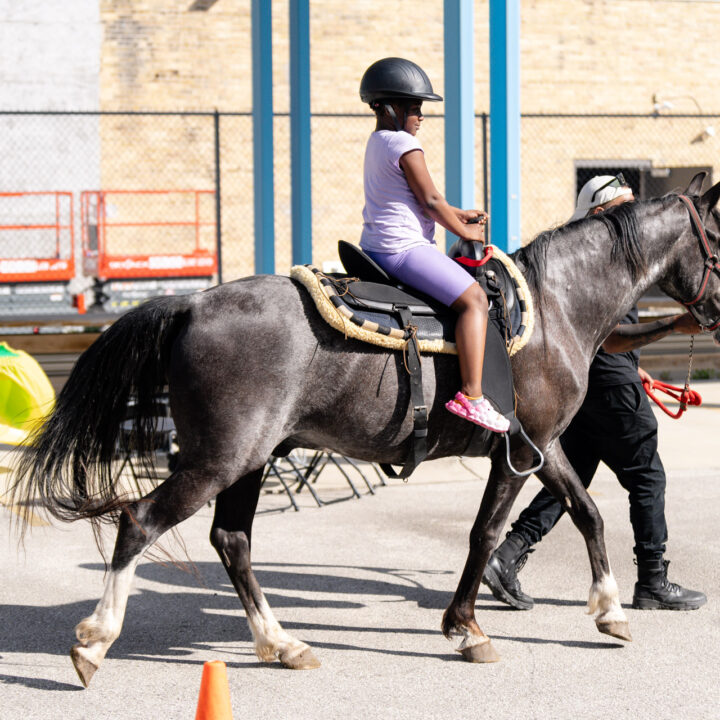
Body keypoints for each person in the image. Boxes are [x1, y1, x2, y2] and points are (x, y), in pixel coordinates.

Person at [482, 174, 707, 611]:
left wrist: (634, 370)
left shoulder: (597, 259)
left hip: (592, 379)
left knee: (573, 473)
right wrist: (674, 326)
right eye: (624, 208)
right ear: (599, 214)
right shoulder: (601, 261)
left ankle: (506, 557)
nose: (634, 217)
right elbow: (612, 337)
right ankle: (653, 581)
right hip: (603, 379)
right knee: (646, 475)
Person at [358, 57, 509, 433]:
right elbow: (430, 201)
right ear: (389, 109)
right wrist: (464, 229)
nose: (420, 116)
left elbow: (410, 199)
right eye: (413, 108)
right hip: (404, 249)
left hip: (377, 245)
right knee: (475, 300)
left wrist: (457, 213)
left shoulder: (378, 141)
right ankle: (472, 397)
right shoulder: (406, 144)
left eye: (421, 109)